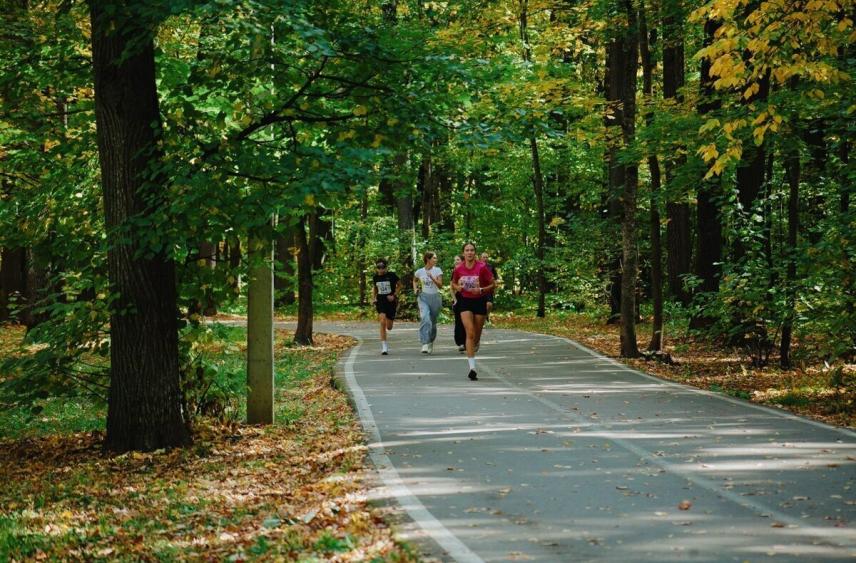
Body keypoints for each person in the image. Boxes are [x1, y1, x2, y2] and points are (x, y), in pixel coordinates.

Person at [450, 242, 495, 380]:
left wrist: (481, 289)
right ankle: (472, 368)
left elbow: (493, 284)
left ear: (475, 253)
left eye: (472, 250)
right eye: (467, 250)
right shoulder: (459, 268)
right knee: (469, 332)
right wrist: (457, 287)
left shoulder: (482, 267)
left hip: (479, 300)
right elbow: (453, 282)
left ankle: (476, 342)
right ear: (463, 253)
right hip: (465, 301)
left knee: (476, 334)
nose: (469, 252)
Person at [413, 251, 443, 354]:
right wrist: (415, 289)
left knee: (433, 322)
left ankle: (430, 341)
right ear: (428, 259)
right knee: (425, 318)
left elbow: (440, 285)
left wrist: (432, 278)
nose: (436, 260)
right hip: (423, 297)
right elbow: (415, 280)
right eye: (434, 258)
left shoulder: (437, 270)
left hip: (435, 297)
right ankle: (424, 343)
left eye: (436, 258)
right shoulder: (420, 271)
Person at [371, 258, 400, 355]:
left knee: (389, 327)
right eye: (379, 267)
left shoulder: (392, 275)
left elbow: (399, 285)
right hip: (381, 301)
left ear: (386, 267)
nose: (381, 269)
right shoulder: (375, 277)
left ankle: (390, 320)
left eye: (383, 267)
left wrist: (394, 295)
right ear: (376, 268)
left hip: (391, 302)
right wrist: (374, 298)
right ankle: (384, 346)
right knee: (382, 321)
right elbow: (375, 288)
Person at [450, 254, 466, 352]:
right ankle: (460, 342)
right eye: (455, 260)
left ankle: (469, 341)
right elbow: (451, 287)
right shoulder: (454, 272)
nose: (456, 261)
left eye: (458, 259)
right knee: (459, 321)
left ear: (463, 261)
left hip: (469, 297)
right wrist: (455, 300)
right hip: (458, 298)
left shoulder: (468, 270)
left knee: (467, 322)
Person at [480, 251, 498, 318]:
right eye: (483, 257)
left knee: (489, 304)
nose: (485, 258)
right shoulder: (477, 266)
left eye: (486, 257)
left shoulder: (491, 267)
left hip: (489, 289)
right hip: (479, 289)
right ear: (480, 258)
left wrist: (495, 288)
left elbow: (495, 278)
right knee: (481, 305)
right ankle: (482, 317)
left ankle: (486, 315)